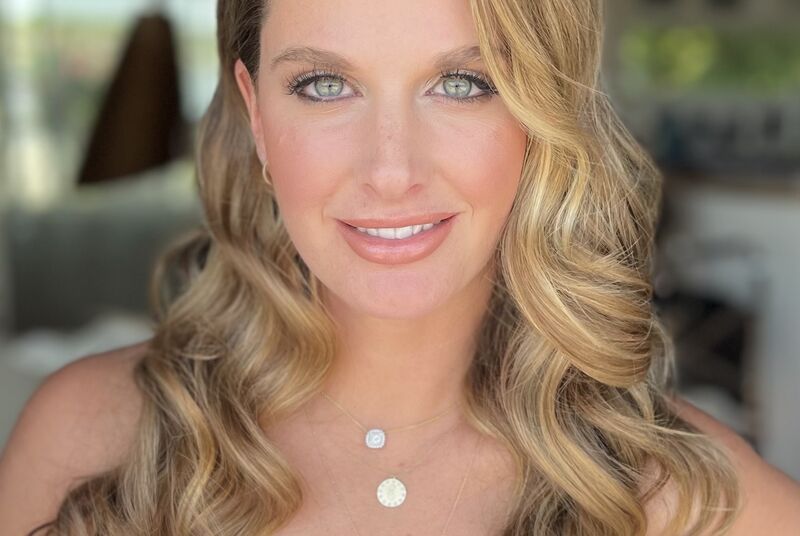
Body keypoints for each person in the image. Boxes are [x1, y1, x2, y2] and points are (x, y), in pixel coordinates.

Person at [2, 0, 800, 534]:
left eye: (461, 83)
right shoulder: (91, 441)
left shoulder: (690, 497)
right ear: (256, 116)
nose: (391, 172)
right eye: (324, 85)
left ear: (540, 116)